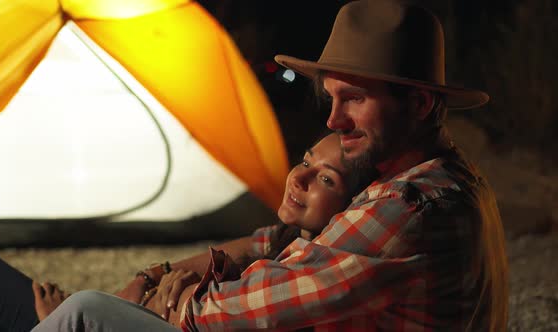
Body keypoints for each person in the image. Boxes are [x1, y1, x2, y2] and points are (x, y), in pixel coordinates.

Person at [31, 0, 509, 331]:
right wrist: (159, 275)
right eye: (332, 97)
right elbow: (274, 243)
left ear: (421, 103)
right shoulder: (441, 174)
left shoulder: (410, 208)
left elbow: (233, 310)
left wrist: (164, 298)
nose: (333, 118)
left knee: (84, 312)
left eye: (355, 99)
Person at [0, 133, 361, 331]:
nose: (300, 177)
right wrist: (151, 277)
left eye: (326, 179)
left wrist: (175, 299)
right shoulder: (284, 238)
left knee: (84, 309)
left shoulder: (326, 269)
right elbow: (237, 249)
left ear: (351, 207)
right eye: (306, 160)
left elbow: (208, 313)